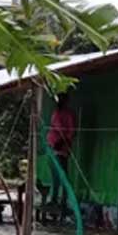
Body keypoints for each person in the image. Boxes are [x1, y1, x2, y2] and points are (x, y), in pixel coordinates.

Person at [46, 94, 76, 222]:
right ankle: (54, 200)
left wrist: (64, 141)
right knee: (55, 177)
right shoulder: (55, 113)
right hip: (54, 147)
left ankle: (62, 201)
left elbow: (70, 131)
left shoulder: (67, 115)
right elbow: (55, 128)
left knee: (62, 177)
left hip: (62, 148)